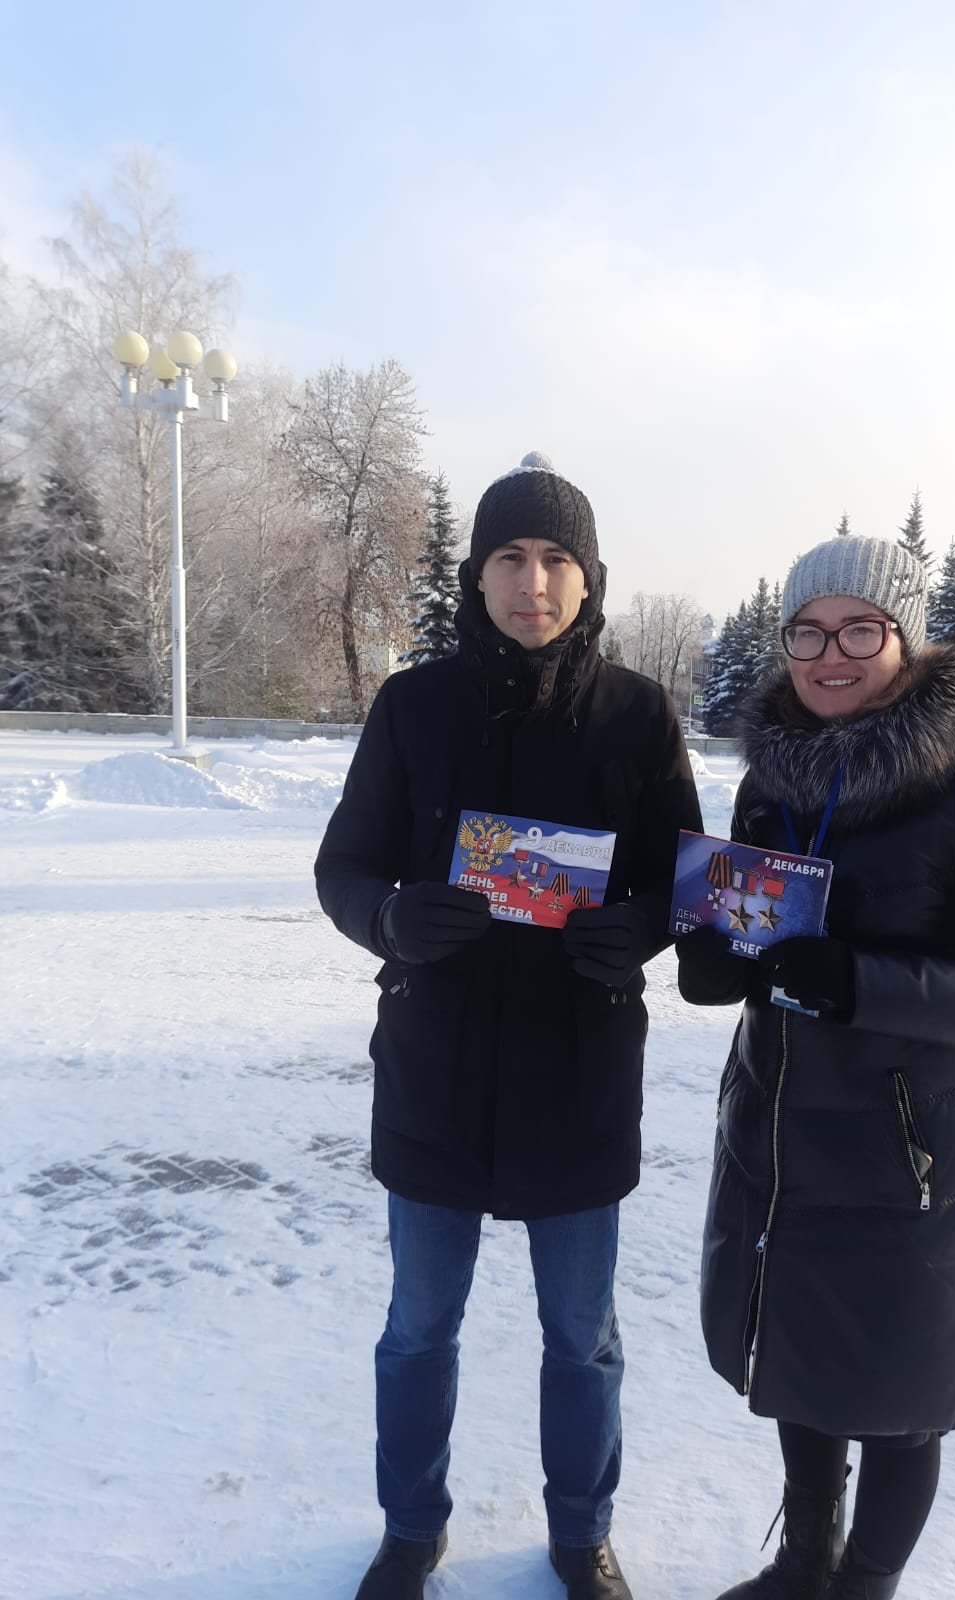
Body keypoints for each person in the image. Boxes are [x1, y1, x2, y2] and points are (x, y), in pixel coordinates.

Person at [677, 535, 955, 1600]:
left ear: (905, 639)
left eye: (860, 628)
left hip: (909, 1150)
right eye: (809, 630)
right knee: (798, 1362)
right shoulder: (771, 781)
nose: (831, 654)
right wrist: (723, 955)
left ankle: (863, 1585)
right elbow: (757, 916)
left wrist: (862, 983)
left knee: (903, 1392)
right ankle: (804, 1562)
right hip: (779, 1126)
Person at [315, 451, 702, 1600]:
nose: (533, 581)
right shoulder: (412, 704)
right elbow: (343, 865)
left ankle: (582, 1534)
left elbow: (681, 881)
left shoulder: (638, 714)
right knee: (417, 1329)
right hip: (434, 1069)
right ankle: (410, 1525)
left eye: (555, 559)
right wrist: (391, 915)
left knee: (580, 1335)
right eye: (509, 558)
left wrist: (638, 928)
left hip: (578, 1075)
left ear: (588, 579)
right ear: (478, 576)